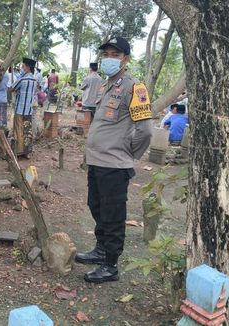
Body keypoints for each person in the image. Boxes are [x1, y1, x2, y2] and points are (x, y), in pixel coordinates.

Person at [76, 36, 152, 283]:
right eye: (106, 54)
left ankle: (111, 265)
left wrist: (129, 153)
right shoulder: (105, 85)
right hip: (97, 160)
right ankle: (100, 250)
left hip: (115, 164)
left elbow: (145, 130)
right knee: (95, 206)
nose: (109, 58)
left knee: (113, 214)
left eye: (115, 55)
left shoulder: (135, 87)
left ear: (125, 59)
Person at [11, 57, 38, 158]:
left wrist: (16, 91)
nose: (22, 68)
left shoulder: (22, 79)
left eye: (23, 66)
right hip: (28, 110)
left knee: (18, 130)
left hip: (19, 109)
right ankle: (27, 152)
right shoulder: (34, 80)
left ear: (27, 67)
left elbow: (11, 89)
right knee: (27, 131)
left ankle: (19, 151)